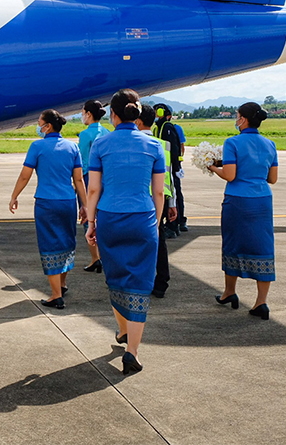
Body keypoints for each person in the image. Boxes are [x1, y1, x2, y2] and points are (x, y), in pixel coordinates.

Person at [86, 89, 164, 374]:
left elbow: (94, 188)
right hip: (142, 217)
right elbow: (158, 191)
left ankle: (122, 330)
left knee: (115, 276)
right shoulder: (154, 145)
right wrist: (153, 223)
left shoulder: (100, 144)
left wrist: (91, 223)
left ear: (114, 115)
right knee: (140, 283)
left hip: (110, 217)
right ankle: (132, 351)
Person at [9, 110, 88, 309]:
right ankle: (62, 284)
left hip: (46, 202)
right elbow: (78, 179)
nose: (38, 126)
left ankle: (55, 295)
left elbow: (25, 176)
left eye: (40, 123)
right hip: (68, 201)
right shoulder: (72, 147)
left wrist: (14, 196)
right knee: (67, 242)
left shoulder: (37, 146)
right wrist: (85, 205)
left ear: (48, 126)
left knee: (49, 245)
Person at [208, 102, 278, 320]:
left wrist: (212, 167)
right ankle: (261, 302)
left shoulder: (233, 142)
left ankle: (229, 292)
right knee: (263, 247)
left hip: (238, 201)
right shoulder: (270, 144)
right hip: (262, 200)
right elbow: (272, 179)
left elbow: (230, 175)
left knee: (233, 243)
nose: (236, 120)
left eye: (237, 116)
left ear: (244, 120)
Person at [136, 105, 176, 298]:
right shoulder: (162, 145)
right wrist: (173, 203)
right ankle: (161, 282)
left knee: (137, 241)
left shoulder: (134, 143)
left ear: (137, 120)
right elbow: (169, 176)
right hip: (161, 199)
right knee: (159, 240)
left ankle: (139, 279)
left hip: (140, 198)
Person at [78, 99, 108, 273]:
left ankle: (95, 258)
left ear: (88, 114)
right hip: (106, 178)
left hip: (89, 178)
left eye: (83, 112)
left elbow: (82, 162)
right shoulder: (107, 132)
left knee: (88, 217)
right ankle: (105, 256)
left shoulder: (85, 135)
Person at [153, 104, 186, 236]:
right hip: (165, 167)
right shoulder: (158, 128)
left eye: (157, 111)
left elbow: (174, 149)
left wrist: (176, 167)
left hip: (170, 167)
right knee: (169, 194)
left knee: (174, 193)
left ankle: (175, 224)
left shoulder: (167, 128)